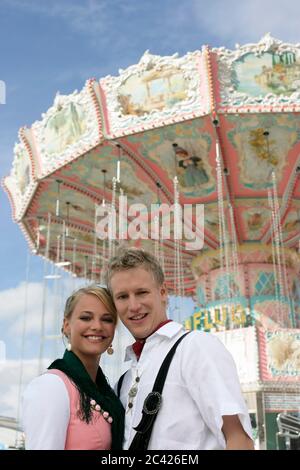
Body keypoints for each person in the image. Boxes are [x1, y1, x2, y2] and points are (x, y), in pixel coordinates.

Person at [106, 249, 254, 450]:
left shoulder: (195, 347)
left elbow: (239, 439)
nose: (133, 305)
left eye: (142, 292)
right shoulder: (124, 381)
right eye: (123, 297)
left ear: (163, 293)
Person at [22, 285, 124, 450]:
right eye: (86, 318)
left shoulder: (105, 393)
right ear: (66, 325)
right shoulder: (51, 386)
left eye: (107, 319)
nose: (97, 326)